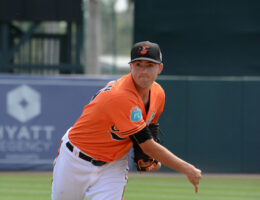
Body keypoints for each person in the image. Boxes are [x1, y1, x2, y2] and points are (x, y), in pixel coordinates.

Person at [51, 41, 202, 200]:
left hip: (113, 165)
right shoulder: (121, 95)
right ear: (131, 67)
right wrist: (187, 169)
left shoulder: (158, 94)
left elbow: (150, 126)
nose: (143, 71)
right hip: (76, 159)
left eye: (149, 65)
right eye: (138, 64)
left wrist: (146, 157)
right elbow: (147, 145)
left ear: (160, 68)